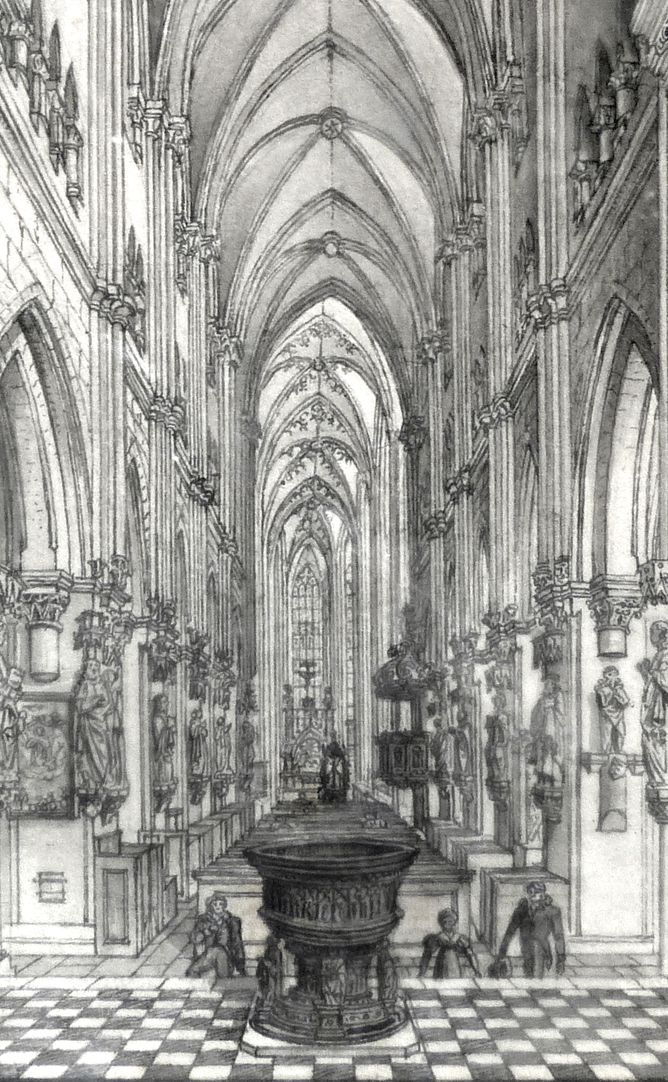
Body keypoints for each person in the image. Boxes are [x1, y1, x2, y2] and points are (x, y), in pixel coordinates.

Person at [493, 881, 566, 978]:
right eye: (531, 893)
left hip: (542, 949)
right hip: (526, 948)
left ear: (543, 894)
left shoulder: (552, 911)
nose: (534, 897)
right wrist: (502, 954)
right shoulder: (521, 910)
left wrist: (560, 958)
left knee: (537, 977)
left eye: (538, 893)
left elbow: (558, 935)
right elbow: (510, 932)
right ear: (528, 894)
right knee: (528, 975)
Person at [186, 892, 246, 979]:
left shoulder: (231, 921)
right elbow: (194, 939)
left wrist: (240, 966)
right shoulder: (203, 919)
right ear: (210, 905)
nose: (218, 906)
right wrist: (205, 932)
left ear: (224, 906)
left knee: (219, 952)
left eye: (220, 904)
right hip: (207, 955)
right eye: (215, 904)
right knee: (191, 972)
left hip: (225, 956)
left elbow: (237, 944)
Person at [418, 908, 480, 978]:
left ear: (454, 922)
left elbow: (469, 954)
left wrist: (476, 971)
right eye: (445, 921)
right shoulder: (437, 938)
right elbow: (427, 956)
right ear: (441, 923)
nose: (447, 924)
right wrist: (422, 973)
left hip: (454, 966)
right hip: (440, 966)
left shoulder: (459, 937)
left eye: (450, 921)